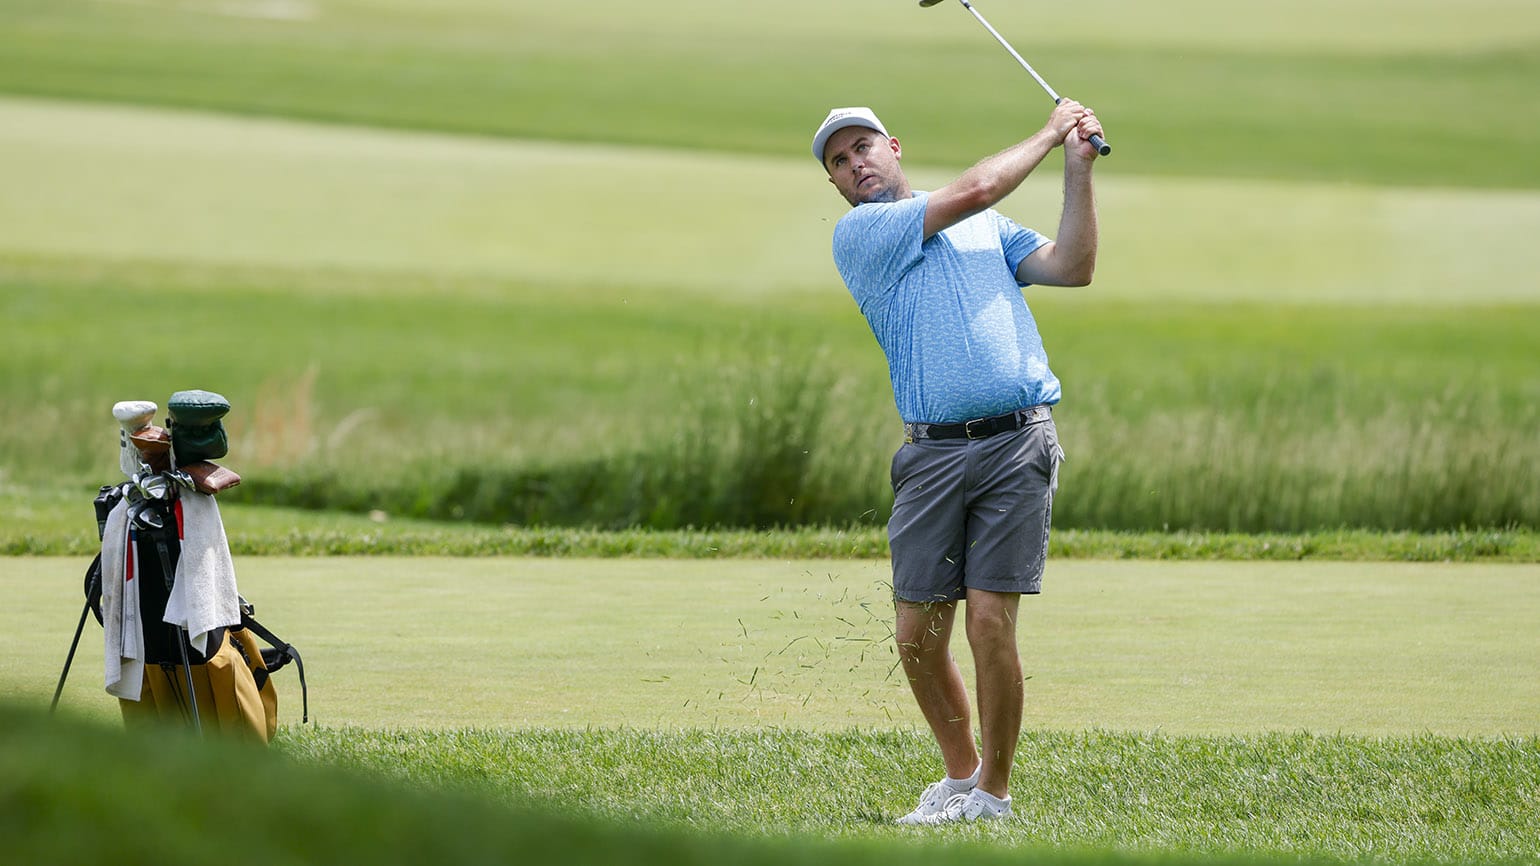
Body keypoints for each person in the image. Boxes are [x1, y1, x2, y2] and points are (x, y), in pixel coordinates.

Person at [811, 101, 1103, 824]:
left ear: (894, 146)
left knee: (990, 626)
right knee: (917, 637)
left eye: (863, 148)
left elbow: (1073, 266)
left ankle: (994, 796)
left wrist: (1076, 166)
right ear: (838, 186)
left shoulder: (987, 229)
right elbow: (973, 189)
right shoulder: (864, 233)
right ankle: (961, 776)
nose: (856, 166)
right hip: (932, 454)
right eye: (840, 163)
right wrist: (1047, 128)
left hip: (1017, 442)